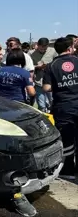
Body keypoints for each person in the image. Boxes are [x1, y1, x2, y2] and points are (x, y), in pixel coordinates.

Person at [43, 37, 78, 179]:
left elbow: (46, 87)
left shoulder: (51, 65)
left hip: (63, 107)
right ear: (70, 48)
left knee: (67, 140)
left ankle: (68, 171)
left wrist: (60, 84)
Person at [30, 37, 57, 113]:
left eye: (45, 48)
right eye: (41, 47)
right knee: (41, 105)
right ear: (37, 45)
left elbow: (57, 62)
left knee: (52, 102)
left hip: (50, 82)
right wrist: (38, 67)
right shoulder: (31, 53)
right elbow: (29, 67)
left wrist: (49, 66)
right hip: (38, 81)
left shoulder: (53, 51)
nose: (43, 49)